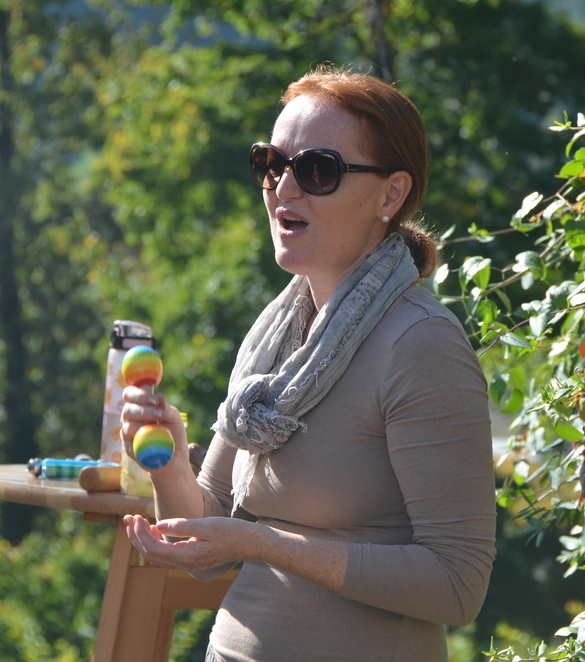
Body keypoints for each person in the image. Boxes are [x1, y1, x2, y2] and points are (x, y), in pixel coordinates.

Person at [120, 67, 496, 662]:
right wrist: (168, 462)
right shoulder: (276, 338)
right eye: (271, 164)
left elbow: (457, 584)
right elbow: (210, 541)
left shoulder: (421, 345)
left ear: (390, 195)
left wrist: (263, 544)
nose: (284, 189)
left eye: (318, 170)